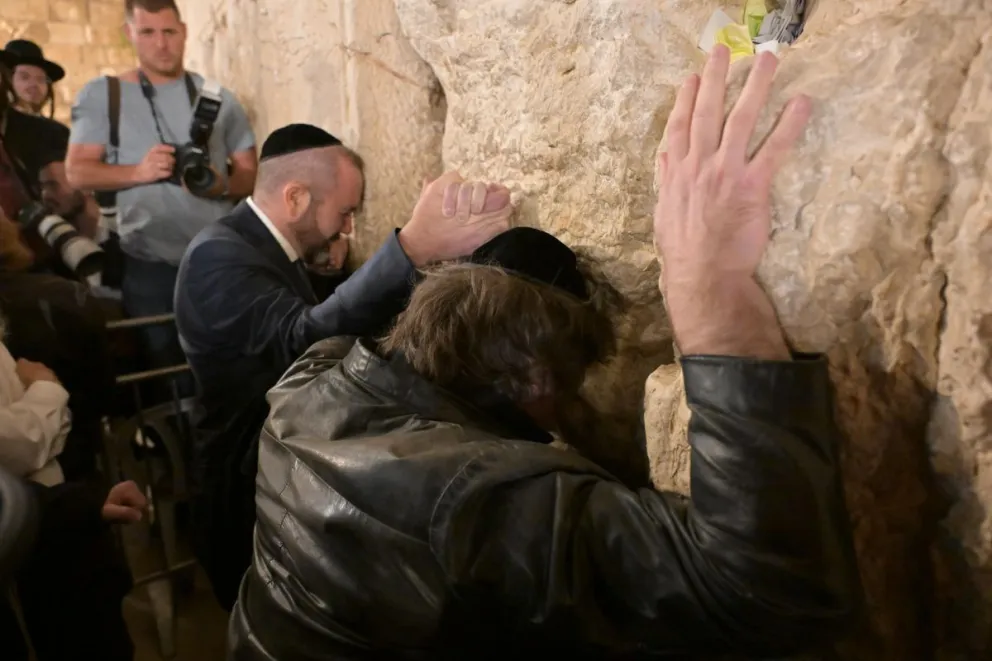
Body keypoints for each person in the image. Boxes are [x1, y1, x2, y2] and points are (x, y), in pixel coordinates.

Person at [228, 47, 863, 660]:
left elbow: (337, 339)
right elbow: (768, 591)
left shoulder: (304, 390)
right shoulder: (472, 505)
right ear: (536, 380)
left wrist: (427, 257)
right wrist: (708, 288)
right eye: (571, 384)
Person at [174, 122, 513, 610]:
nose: (348, 227)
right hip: (240, 491)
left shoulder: (256, 244)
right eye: (345, 212)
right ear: (295, 198)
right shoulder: (218, 258)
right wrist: (412, 247)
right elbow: (303, 339)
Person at [65, 0, 257, 391]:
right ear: (129, 34)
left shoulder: (217, 99)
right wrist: (139, 171)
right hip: (149, 264)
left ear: (184, 31)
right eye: (148, 32)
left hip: (216, 260)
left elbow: (252, 176)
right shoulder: (105, 95)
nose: (161, 44)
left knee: (233, 365)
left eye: (169, 32)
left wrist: (221, 184)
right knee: (169, 374)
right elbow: (77, 170)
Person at [0, 40, 63, 119]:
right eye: (24, 77)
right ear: (7, 79)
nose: (34, 84)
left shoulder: (55, 130)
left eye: (41, 79)